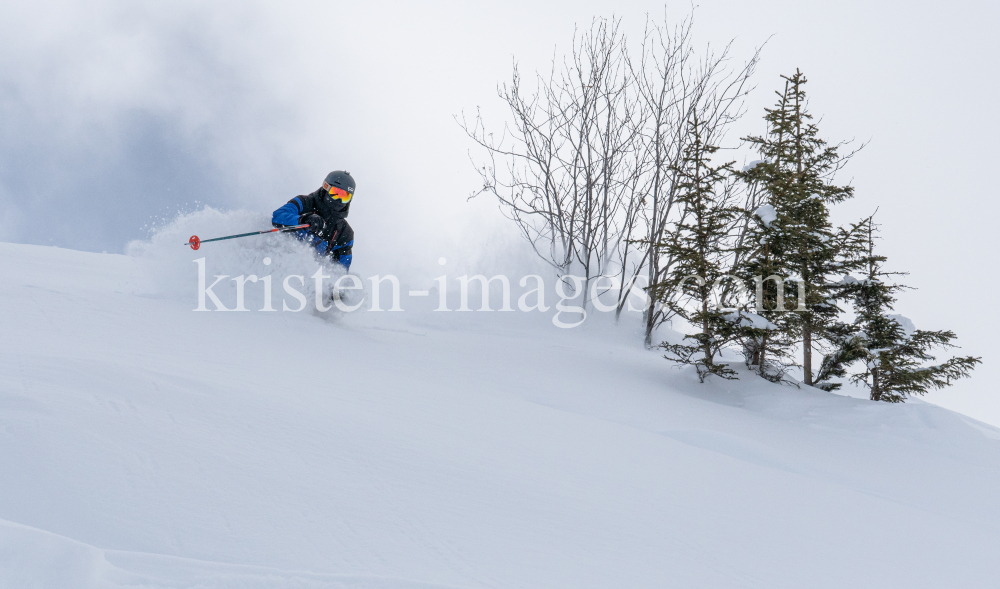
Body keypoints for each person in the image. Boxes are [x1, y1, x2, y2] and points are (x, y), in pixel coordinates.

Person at [272, 170, 355, 270]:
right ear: (326, 188)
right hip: (281, 260)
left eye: (345, 197)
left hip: (308, 273)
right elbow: (278, 216)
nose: (338, 200)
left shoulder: (345, 233)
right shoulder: (304, 202)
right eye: (335, 193)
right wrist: (303, 220)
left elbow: (341, 271)